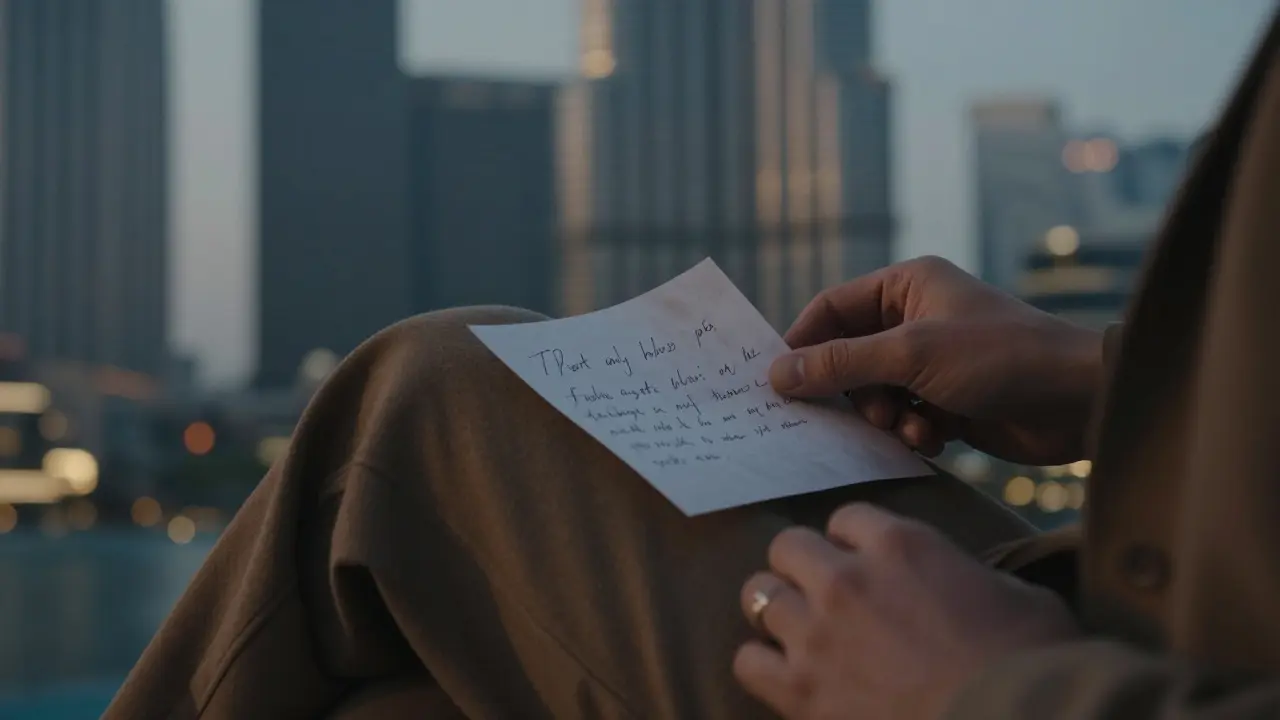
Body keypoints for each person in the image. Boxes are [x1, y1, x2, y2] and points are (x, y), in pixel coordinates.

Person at [106, 11, 1280, 720]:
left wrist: (980, 691)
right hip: (1169, 607)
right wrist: (1104, 385)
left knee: (420, 399)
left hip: (1109, 677)